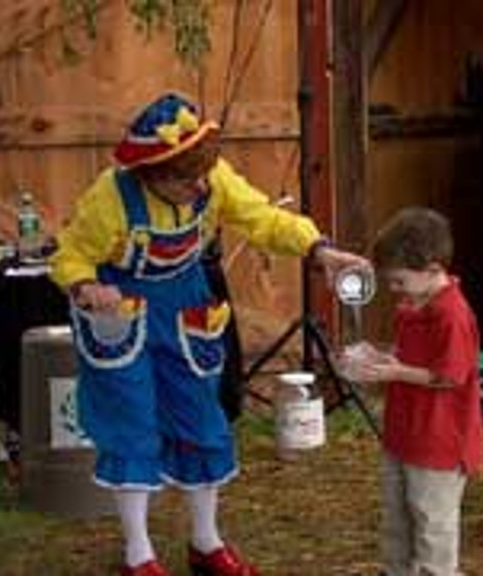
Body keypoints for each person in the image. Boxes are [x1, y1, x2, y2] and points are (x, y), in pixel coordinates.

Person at [49, 92, 368, 576]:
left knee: (202, 418)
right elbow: (69, 253)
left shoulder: (211, 180)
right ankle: (139, 555)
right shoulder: (110, 197)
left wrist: (318, 249)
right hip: (124, 313)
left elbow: (261, 218)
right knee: (131, 425)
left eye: (204, 175)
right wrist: (87, 285)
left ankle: (205, 543)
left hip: (186, 305)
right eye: (186, 179)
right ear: (153, 174)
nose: (201, 187)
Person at [339, 207, 483, 576]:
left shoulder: (452, 315)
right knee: (396, 519)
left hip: (439, 442)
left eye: (400, 281)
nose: (393, 290)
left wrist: (396, 371)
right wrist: (381, 356)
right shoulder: (411, 305)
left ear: (434, 270)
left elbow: (450, 376)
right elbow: (408, 357)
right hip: (403, 434)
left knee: (432, 524)